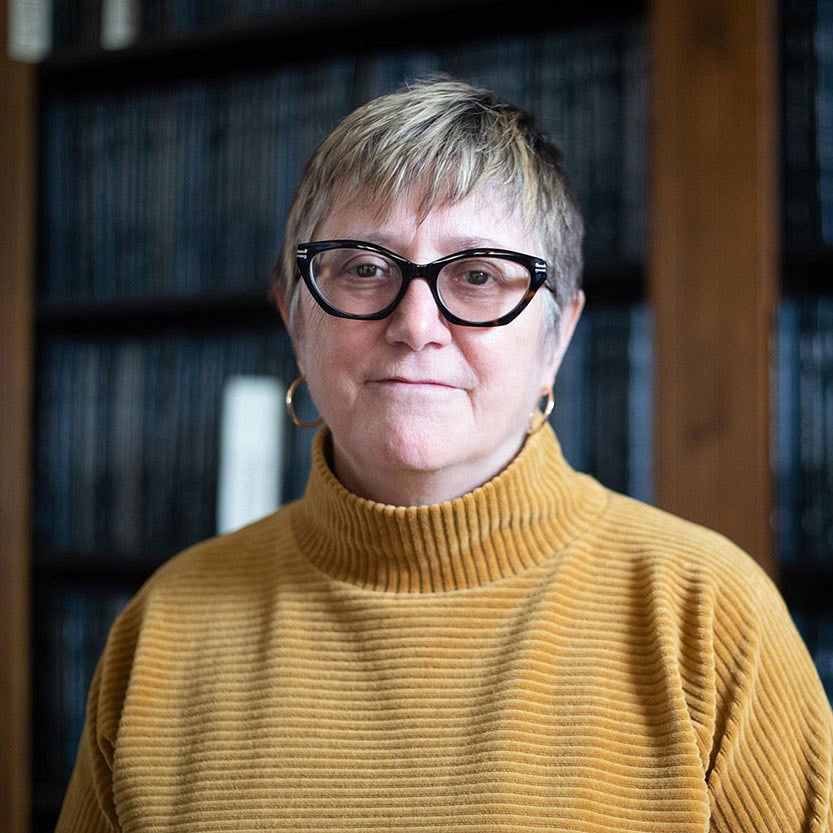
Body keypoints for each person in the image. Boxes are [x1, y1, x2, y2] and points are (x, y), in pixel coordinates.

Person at [57, 77, 832, 833]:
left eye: (478, 275)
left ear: (556, 335)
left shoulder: (706, 615)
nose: (416, 323)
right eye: (363, 267)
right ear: (295, 316)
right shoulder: (161, 628)